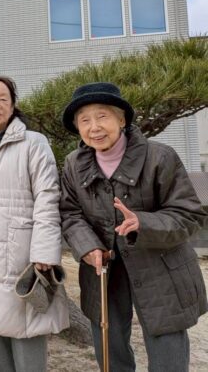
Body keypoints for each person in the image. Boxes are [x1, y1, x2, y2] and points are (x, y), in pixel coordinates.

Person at [60, 82, 208, 371]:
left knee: (167, 354)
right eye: (84, 120)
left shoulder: (160, 157)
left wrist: (143, 223)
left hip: (161, 267)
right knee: (110, 348)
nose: (94, 127)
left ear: (122, 120)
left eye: (102, 116)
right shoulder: (73, 164)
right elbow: (70, 213)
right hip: (104, 268)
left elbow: (189, 214)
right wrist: (87, 246)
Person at [0, 76, 69, 372]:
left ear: (13, 106)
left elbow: (48, 196)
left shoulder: (33, 143)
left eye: (3, 99)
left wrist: (45, 251)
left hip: (22, 254)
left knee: (27, 329)